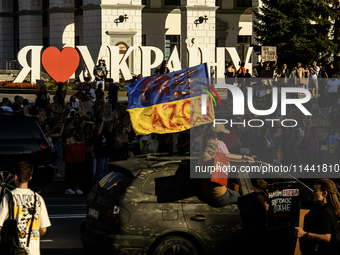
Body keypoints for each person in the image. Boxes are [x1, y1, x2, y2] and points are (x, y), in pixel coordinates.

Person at [0, 161, 51, 255]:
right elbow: (43, 229)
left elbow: (0, 225)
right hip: (33, 250)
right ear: (30, 178)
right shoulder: (38, 198)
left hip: (13, 248)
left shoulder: (8, 197)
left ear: (15, 177)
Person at [295, 179, 340, 255]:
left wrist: (304, 234)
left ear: (324, 193)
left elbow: (326, 237)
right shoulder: (335, 208)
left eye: (315, 191)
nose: (312, 193)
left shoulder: (324, 210)